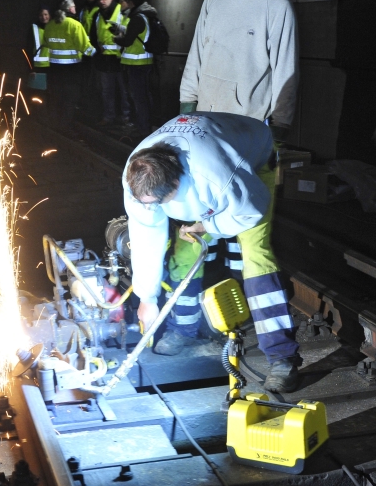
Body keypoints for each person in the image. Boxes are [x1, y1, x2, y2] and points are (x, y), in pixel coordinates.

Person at [123, 112, 303, 392]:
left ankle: (283, 358)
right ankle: (183, 329)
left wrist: (207, 225)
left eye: (159, 202)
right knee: (183, 254)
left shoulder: (216, 176)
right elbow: (146, 235)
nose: (151, 207)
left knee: (255, 256)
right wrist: (146, 297)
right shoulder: (138, 178)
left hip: (252, 164)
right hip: (207, 166)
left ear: (174, 184)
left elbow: (249, 213)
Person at [179, 0, 297, 144]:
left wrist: (280, 123)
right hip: (204, 117)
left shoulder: (278, 7)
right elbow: (197, 51)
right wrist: (187, 100)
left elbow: (285, 70)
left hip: (247, 122)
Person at [43, 0, 94, 126]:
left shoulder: (49, 25)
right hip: (71, 70)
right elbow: (85, 47)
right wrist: (96, 53)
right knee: (70, 98)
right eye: (74, 7)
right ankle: (65, 124)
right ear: (70, 8)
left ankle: (53, 122)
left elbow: (47, 44)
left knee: (55, 96)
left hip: (54, 69)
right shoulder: (75, 25)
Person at [112, 0, 156, 136]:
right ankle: (144, 126)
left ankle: (143, 130)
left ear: (132, 2)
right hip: (144, 63)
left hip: (137, 64)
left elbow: (128, 40)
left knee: (139, 99)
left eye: (127, 1)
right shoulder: (147, 15)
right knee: (143, 97)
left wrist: (116, 38)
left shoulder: (138, 17)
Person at [90, 0, 130, 127]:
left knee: (124, 91)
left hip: (120, 59)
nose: (102, 1)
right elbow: (93, 35)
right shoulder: (98, 15)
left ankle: (126, 118)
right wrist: (97, 48)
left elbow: (130, 32)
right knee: (107, 91)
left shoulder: (122, 11)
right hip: (105, 60)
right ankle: (109, 117)